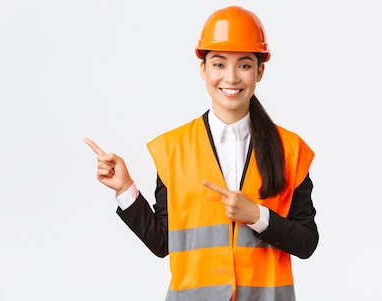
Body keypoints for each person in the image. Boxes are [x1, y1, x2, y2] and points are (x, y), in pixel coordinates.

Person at [84, 5, 318, 301]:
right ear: (203, 69)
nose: (231, 78)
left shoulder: (290, 150)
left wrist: (257, 216)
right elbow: (162, 243)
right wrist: (125, 189)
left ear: (260, 71)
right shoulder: (173, 149)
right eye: (219, 64)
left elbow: (307, 243)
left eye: (244, 65)